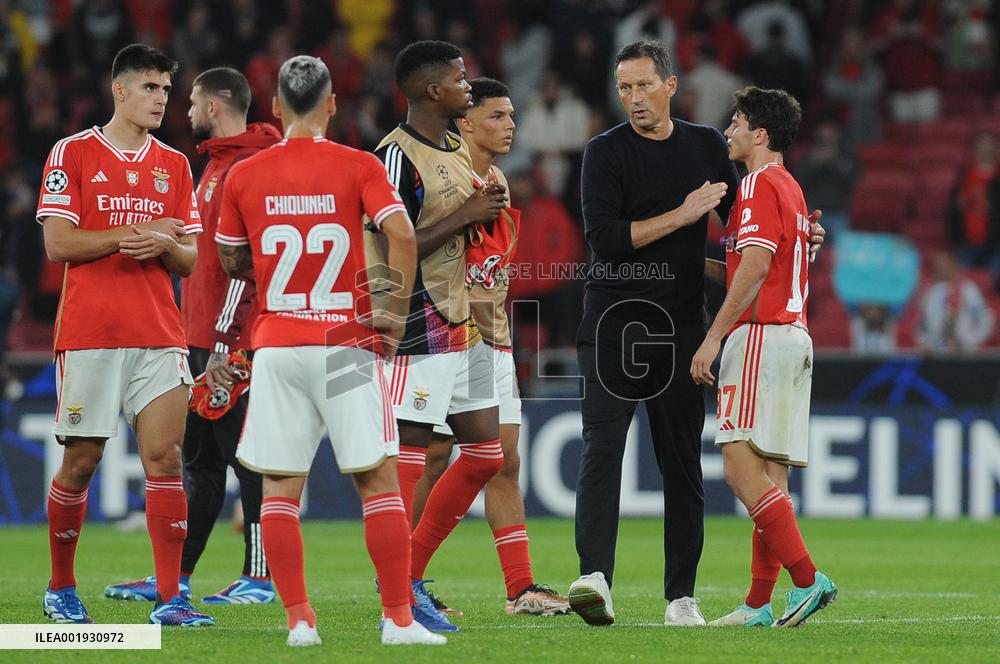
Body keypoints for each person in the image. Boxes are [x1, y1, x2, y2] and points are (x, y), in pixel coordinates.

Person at [568, 40, 825, 629]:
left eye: (643, 85)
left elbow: (745, 236)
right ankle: (595, 579)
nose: (634, 98)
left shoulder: (706, 146)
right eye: (624, 88)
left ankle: (680, 596)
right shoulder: (602, 154)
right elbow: (605, 240)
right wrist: (685, 215)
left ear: (671, 85)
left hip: (681, 326)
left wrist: (799, 237)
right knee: (602, 451)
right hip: (613, 322)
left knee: (682, 464)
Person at [215, 55, 442, 647]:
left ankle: (299, 622)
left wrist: (261, 261)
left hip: (278, 341)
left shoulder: (245, 174)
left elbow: (231, 259)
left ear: (274, 107)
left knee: (279, 490)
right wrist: (391, 312)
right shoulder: (359, 165)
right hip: (344, 339)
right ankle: (397, 620)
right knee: (378, 483)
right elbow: (401, 232)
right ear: (333, 103)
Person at [36, 43, 213, 627]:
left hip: (160, 333)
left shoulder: (174, 165)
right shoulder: (74, 153)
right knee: (83, 462)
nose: (162, 99)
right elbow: (59, 244)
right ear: (119, 89)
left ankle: (170, 598)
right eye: (150, 88)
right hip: (91, 333)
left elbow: (190, 261)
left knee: (165, 460)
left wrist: (165, 243)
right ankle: (62, 588)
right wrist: (128, 234)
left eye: (166, 89)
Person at [103, 67, 282, 605]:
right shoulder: (214, 168)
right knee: (199, 463)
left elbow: (245, 268)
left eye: (190, 103)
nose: (182, 112)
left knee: (245, 455)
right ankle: (174, 578)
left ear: (212, 107)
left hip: (235, 342)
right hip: (199, 337)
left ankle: (260, 577)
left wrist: (228, 346)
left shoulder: (248, 168)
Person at [409, 77, 570, 617]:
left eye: (511, 115)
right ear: (466, 121)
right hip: (444, 335)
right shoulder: (440, 177)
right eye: (498, 116)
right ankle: (404, 578)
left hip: (491, 339)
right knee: (434, 458)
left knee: (501, 462)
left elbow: (492, 271)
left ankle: (520, 588)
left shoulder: (497, 180)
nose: (510, 125)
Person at [367, 40, 506, 632]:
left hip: (459, 317)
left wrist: (481, 210)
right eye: (459, 78)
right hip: (416, 315)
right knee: (412, 453)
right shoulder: (393, 158)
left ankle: (412, 573)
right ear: (431, 90)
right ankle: (396, 595)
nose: (468, 86)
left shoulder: (453, 148)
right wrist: (467, 216)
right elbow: (393, 241)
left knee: (484, 451)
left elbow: (454, 232)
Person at [690, 85, 837, 628]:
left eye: (736, 122)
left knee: (737, 464)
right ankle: (757, 604)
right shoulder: (791, 189)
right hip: (794, 336)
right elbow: (762, 266)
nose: (728, 130)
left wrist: (713, 338)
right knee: (771, 477)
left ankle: (807, 579)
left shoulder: (753, 184)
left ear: (760, 134)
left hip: (759, 336)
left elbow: (753, 269)